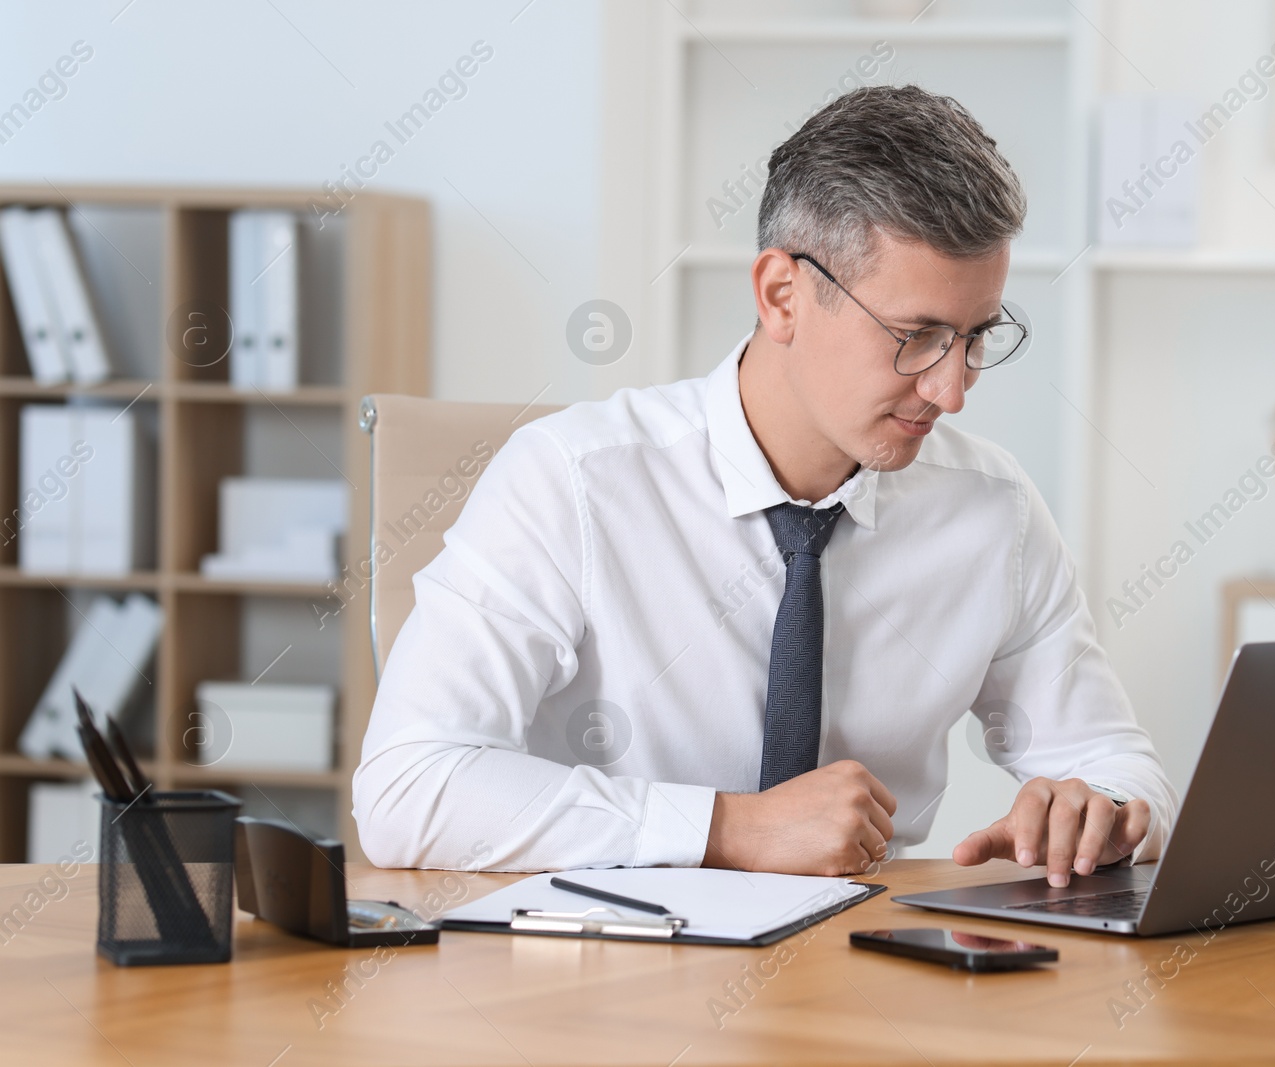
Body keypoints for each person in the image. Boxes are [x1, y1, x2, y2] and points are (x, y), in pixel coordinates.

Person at [354, 84, 1176, 889]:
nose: (951, 390)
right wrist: (726, 829)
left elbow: (1119, 764)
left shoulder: (991, 509)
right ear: (782, 295)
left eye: (975, 338)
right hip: (608, 967)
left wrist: (1098, 808)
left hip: (867, 969)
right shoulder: (572, 481)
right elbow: (405, 787)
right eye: (917, 336)